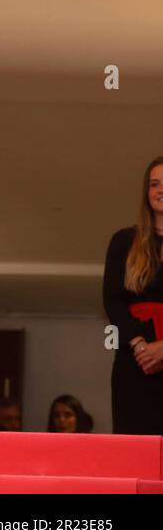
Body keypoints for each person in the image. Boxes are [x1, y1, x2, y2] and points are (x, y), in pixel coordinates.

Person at [102, 155, 163, 435]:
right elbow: (113, 301)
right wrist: (141, 347)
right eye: (154, 184)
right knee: (134, 445)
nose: (160, 190)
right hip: (133, 361)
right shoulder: (124, 240)